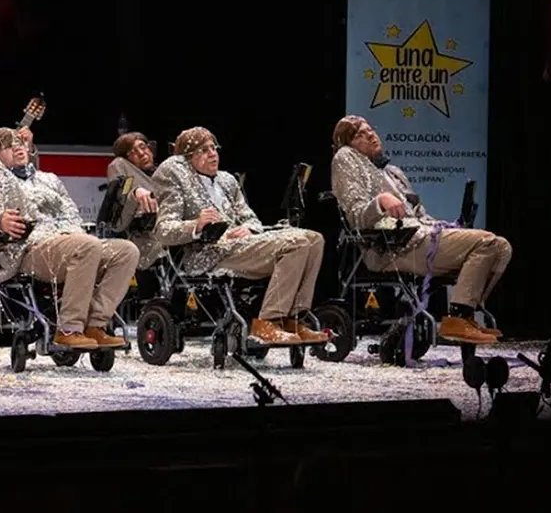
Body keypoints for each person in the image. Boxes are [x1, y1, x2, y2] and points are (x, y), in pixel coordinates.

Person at [329, 115, 510, 344]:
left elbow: (421, 216)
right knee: (488, 243)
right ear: (347, 144)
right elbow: (356, 215)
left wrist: (448, 227)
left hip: (419, 236)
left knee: (502, 247)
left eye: (370, 129)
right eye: (359, 134)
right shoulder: (345, 158)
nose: (370, 135)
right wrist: (380, 201)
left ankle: (466, 312)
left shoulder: (393, 173)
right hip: (391, 246)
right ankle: (458, 318)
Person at [151, 127, 328, 346]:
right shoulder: (175, 176)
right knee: (297, 243)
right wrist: (196, 224)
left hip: (242, 244)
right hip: (209, 252)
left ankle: (293, 319)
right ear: (188, 158)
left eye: (213, 148)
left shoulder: (227, 181)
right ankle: (269, 321)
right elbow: (164, 230)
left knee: (314, 239)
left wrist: (249, 229)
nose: (213, 153)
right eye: (203, 150)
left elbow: (251, 218)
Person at [0, 127, 139, 351]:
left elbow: (71, 212)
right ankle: (69, 329)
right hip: (30, 247)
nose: (17, 148)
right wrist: (0, 219)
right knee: (87, 245)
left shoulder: (48, 179)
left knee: (126, 251)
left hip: (69, 240)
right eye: (7, 145)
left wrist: (75, 233)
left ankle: (96, 324)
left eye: (21, 143)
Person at [105, 131, 163, 269]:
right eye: (132, 152)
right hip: (143, 244)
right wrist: (135, 193)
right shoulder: (120, 165)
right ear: (126, 158)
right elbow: (121, 197)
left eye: (143, 147)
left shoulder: (162, 173)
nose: (141, 153)